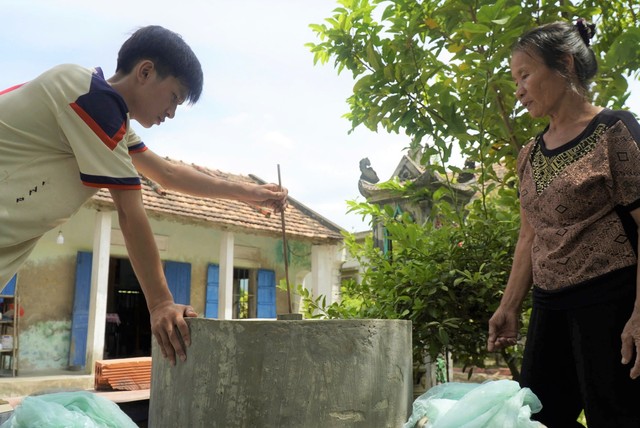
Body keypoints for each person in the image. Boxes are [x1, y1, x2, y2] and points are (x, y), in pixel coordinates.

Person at [0, 25, 288, 366]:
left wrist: (249, 193)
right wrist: (161, 304)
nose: (172, 112)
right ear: (146, 72)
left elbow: (165, 173)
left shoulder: (111, 118)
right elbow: (129, 209)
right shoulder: (86, 95)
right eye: (174, 97)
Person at [487, 19, 640, 428]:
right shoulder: (530, 153)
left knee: (616, 416)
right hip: (549, 305)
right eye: (513, 79)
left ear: (566, 65)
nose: (517, 89)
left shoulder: (615, 131)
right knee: (539, 417)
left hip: (610, 301)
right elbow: (528, 236)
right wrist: (509, 306)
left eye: (525, 74)